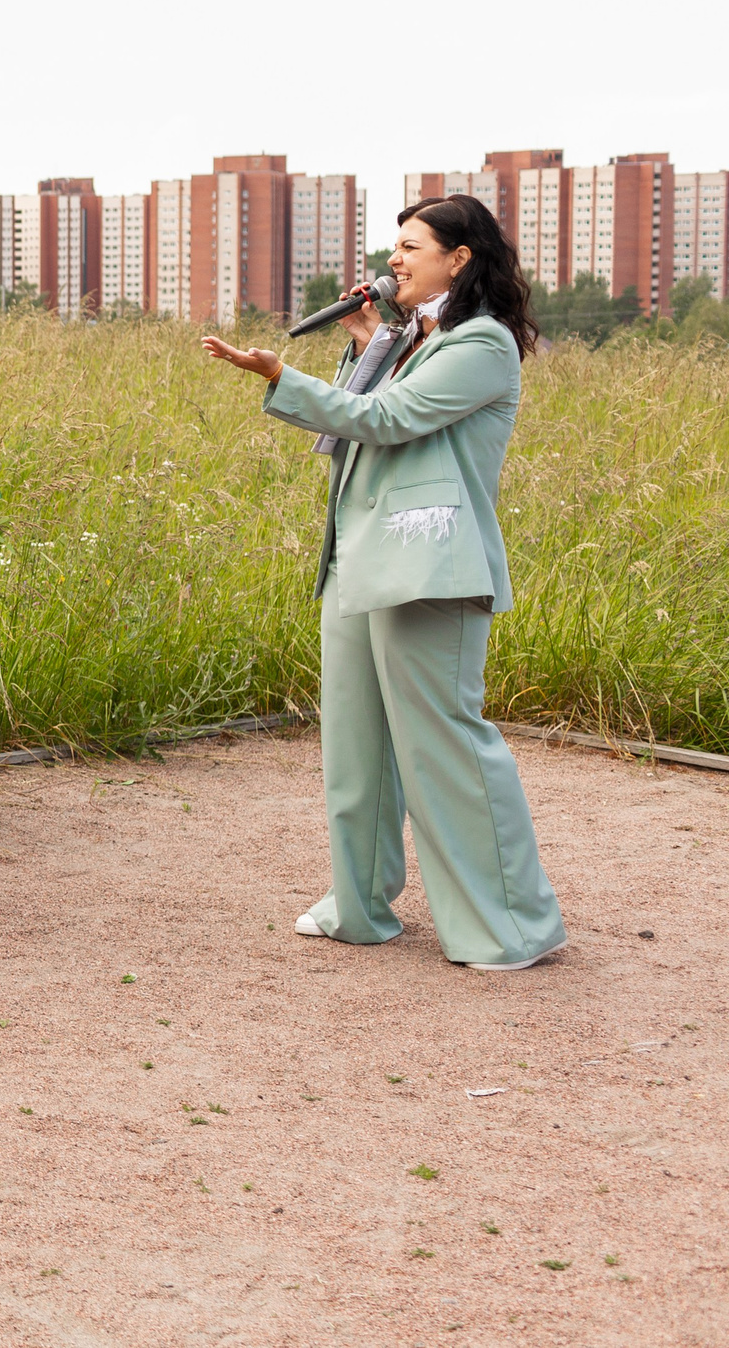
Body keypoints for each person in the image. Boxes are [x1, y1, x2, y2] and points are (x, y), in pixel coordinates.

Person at [201, 194, 565, 969]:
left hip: (430, 566)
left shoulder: (482, 344)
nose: (393, 259)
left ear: (458, 257)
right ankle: (359, 906)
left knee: (445, 749)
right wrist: (369, 344)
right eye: (393, 246)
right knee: (356, 748)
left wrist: (278, 375)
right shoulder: (413, 337)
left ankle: (509, 927)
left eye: (410, 246)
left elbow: (389, 421)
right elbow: (349, 428)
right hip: (359, 560)